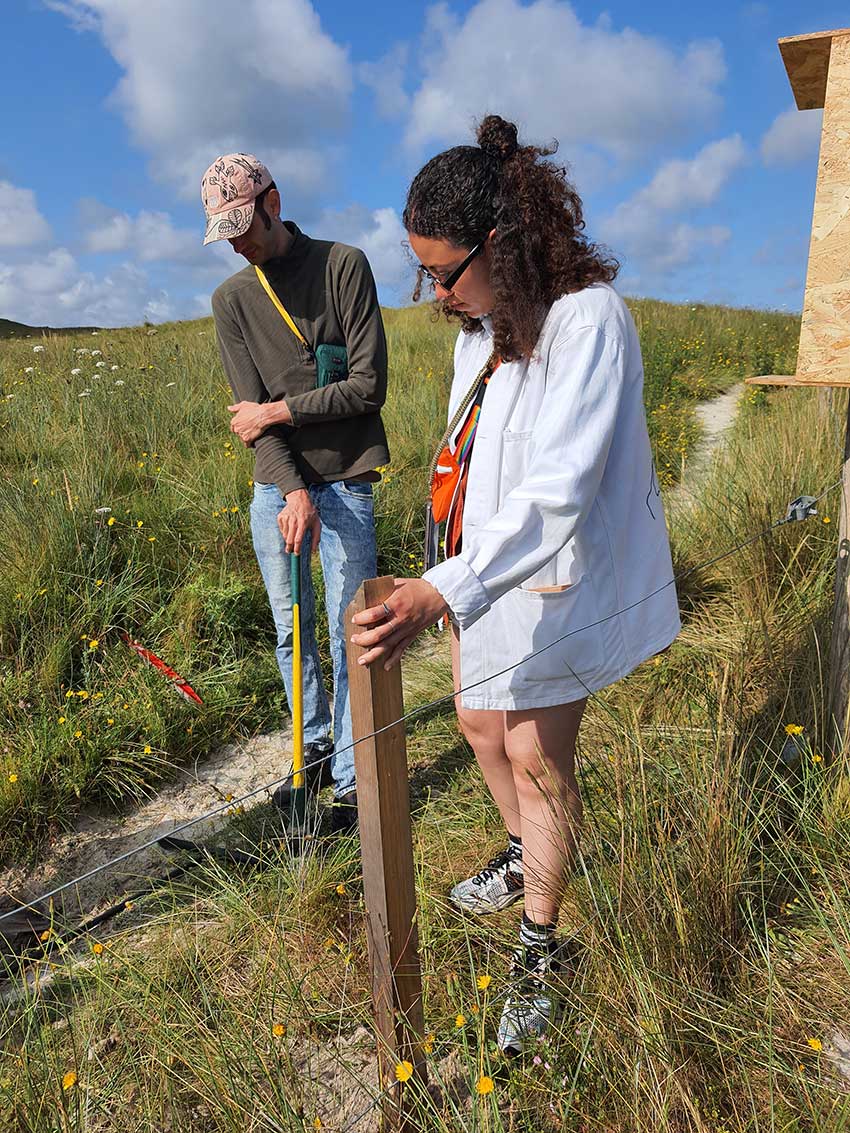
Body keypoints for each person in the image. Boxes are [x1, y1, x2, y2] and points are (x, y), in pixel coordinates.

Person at [351, 117, 681, 1052]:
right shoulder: (483, 333)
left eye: (443, 271)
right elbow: (472, 462)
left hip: (548, 582)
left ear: (499, 242)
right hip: (478, 574)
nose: (436, 293)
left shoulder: (588, 320)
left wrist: (446, 589)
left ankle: (543, 944)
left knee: (536, 753)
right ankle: (523, 849)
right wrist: (444, 574)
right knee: (476, 725)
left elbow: (559, 489)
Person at [201, 153, 390, 833]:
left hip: (346, 478)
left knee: (352, 632)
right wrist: (291, 488)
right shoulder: (231, 302)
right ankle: (310, 748)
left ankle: (351, 778)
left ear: (272, 202)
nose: (236, 243)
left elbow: (367, 388)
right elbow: (245, 411)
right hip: (278, 490)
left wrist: (279, 414)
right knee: (292, 630)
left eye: (242, 225)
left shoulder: (344, 266)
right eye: (223, 232)